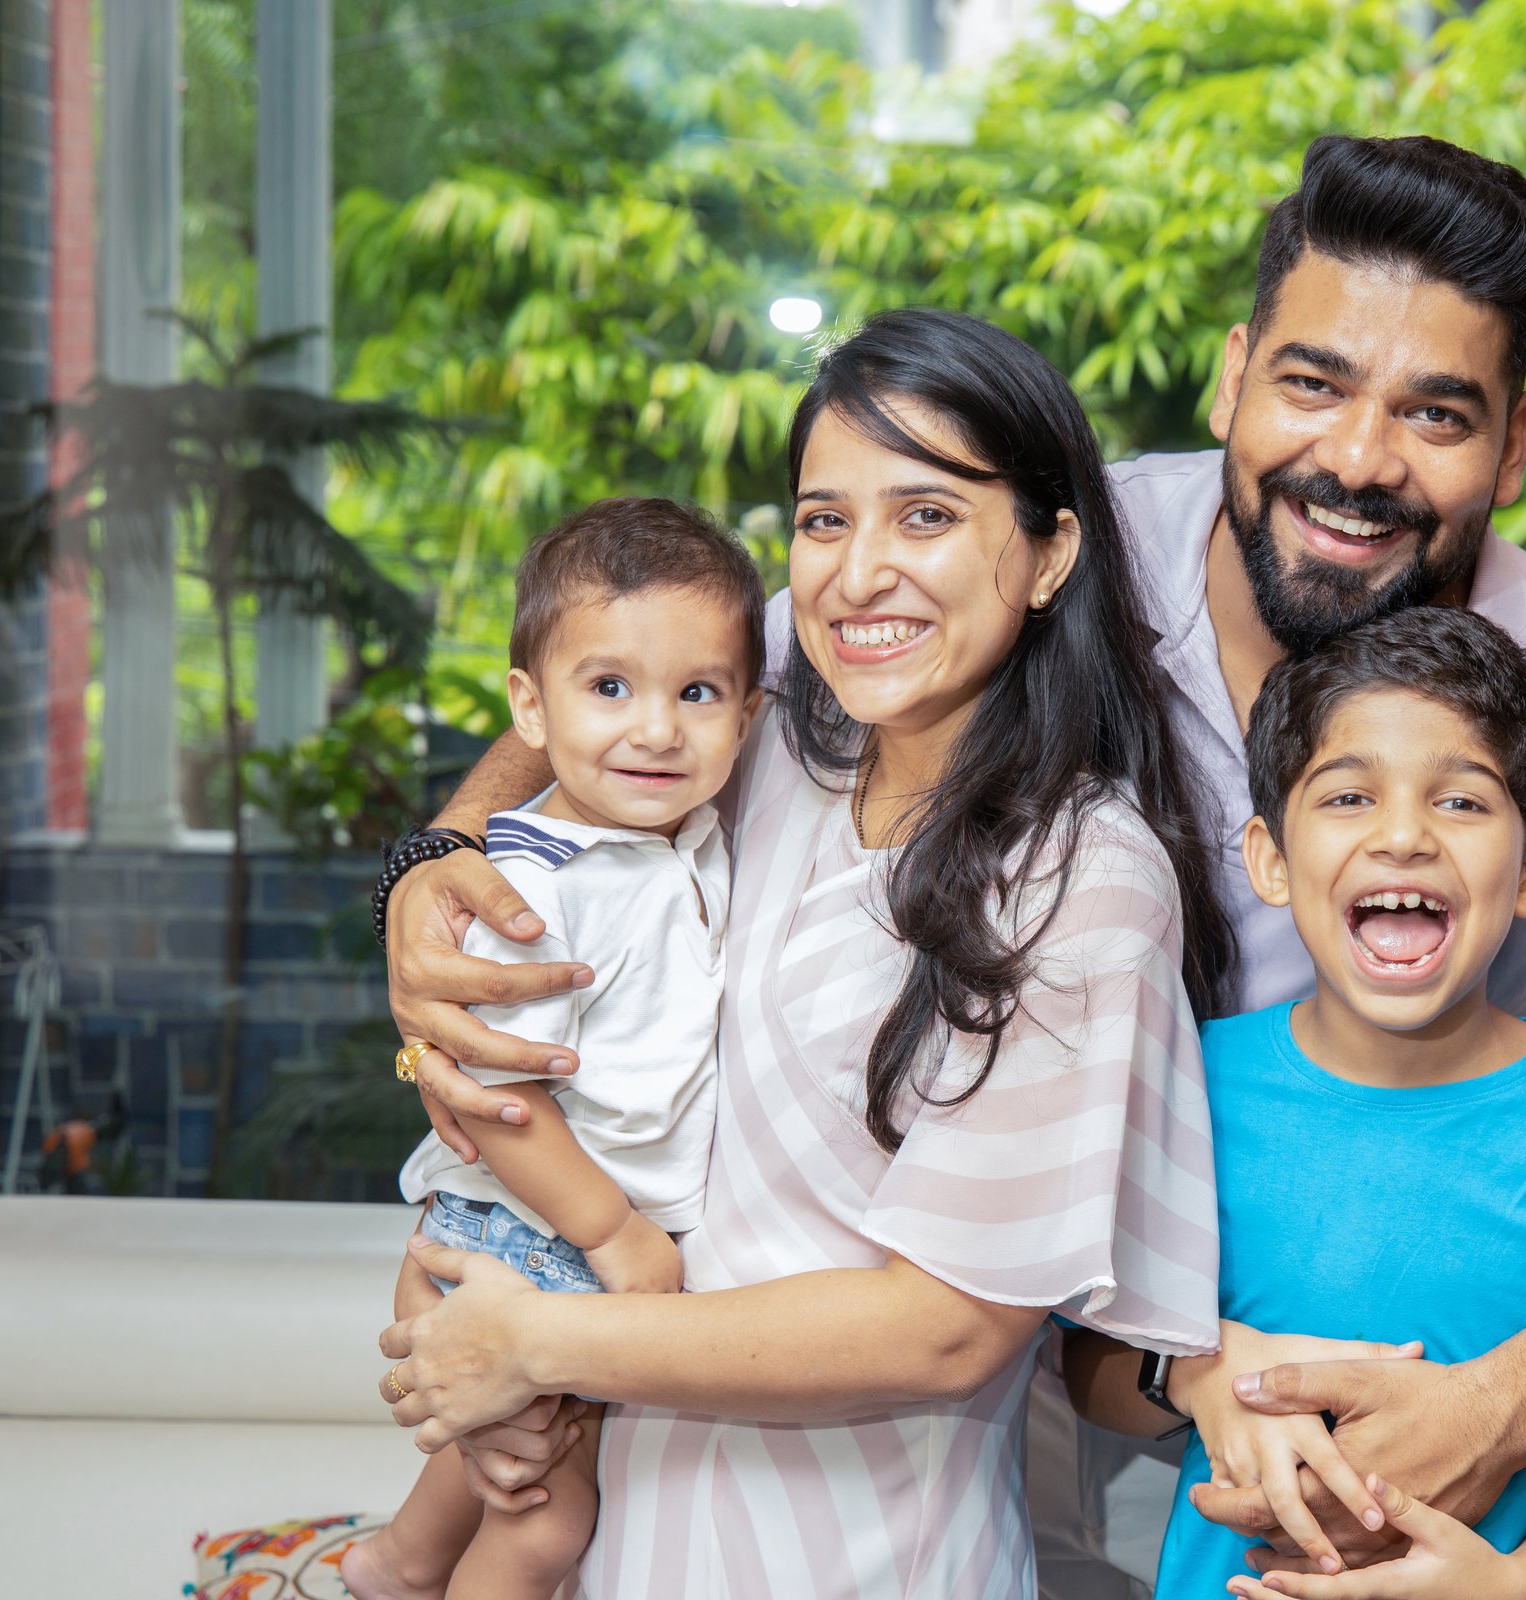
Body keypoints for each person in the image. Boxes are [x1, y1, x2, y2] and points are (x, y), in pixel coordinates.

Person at [379, 135, 1526, 1578]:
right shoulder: (1060, 563)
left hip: (1295, 1322)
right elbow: (688, 672)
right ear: (1236, 378)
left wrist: (1500, 1406)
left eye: (1435, 412)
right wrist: (440, 859)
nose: (1356, 460)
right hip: (994, 1332)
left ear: (1516, 439)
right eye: (1312, 383)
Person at [375, 310, 1415, 1598]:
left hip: (857, 1553)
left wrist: (537, 1339)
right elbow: (594, 692)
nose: (860, 570)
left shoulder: (1082, 875)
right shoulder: (777, 757)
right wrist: (423, 876)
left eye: (926, 516)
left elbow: (945, 1331)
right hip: (621, 1520)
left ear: (1047, 556)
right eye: (824, 520)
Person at [1070, 608, 1526, 1600]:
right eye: (1350, 795)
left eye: (1460, 802)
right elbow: (1093, 1364)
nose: (1402, 835)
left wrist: (1520, 1582)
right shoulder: (1186, 1078)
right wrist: (1200, 1370)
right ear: (1272, 859)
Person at [344, 499, 766, 1600]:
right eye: (610, 687)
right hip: (522, 1234)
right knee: (543, 1522)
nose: (658, 729)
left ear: (752, 711)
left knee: (502, 1495)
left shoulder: (691, 839)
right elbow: (491, 1093)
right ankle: (394, 1566)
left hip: (550, 1236)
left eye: (699, 692)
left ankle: (393, 1565)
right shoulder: (538, 887)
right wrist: (619, 1235)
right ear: (529, 705)